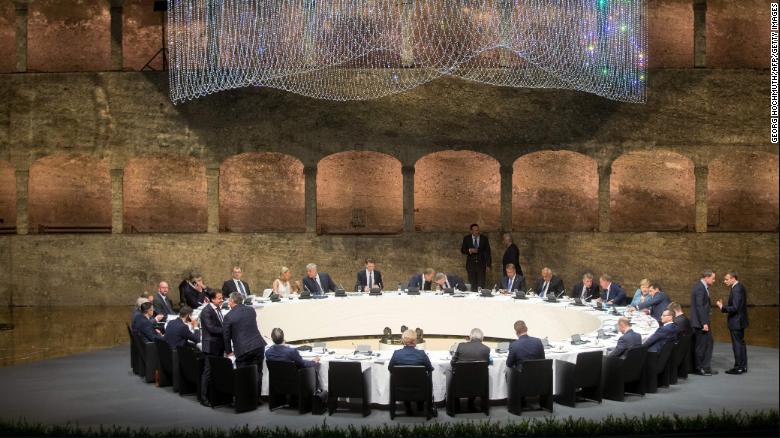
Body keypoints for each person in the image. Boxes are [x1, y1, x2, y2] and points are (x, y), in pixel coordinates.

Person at [223, 292, 267, 400]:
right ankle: (256, 398)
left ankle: (245, 399)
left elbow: (226, 336)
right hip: (258, 345)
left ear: (232, 301)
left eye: (229, 300)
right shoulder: (251, 310)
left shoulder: (228, 316)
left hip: (243, 349)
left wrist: (228, 351)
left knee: (242, 374)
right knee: (257, 372)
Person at [388, 329, 435, 416]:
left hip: (401, 389)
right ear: (415, 341)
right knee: (428, 376)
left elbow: (390, 369)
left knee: (403, 379)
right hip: (420, 389)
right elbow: (430, 369)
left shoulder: (396, 354)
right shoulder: (421, 354)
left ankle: (408, 406)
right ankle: (421, 405)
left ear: (403, 341)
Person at [450, 328, 491, 412]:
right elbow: (486, 364)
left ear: (470, 337)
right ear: (482, 338)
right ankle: (471, 404)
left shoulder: (461, 346)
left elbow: (453, 363)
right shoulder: (486, 349)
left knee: (453, 375)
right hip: (478, 383)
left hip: (461, 382)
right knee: (475, 377)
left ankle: (457, 406)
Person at [717, 271, 749, 375]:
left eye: (727, 279)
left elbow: (735, 307)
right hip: (740, 321)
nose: (725, 281)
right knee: (741, 344)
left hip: (736, 321)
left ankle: (738, 367)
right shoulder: (740, 287)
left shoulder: (736, 289)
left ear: (733, 278)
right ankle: (743, 366)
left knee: (737, 345)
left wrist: (722, 307)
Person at [199, 289, 225, 404]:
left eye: (221, 297)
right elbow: (211, 329)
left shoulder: (217, 308)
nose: (222, 300)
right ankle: (204, 398)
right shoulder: (206, 311)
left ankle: (215, 394)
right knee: (208, 372)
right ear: (212, 299)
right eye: (219, 298)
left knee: (217, 371)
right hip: (211, 346)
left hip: (218, 345)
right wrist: (226, 330)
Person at [690, 269, 717, 376]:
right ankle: (699, 367)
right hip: (700, 322)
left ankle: (706, 367)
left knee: (709, 343)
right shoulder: (700, 288)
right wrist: (704, 323)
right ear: (706, 277)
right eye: (713, 278)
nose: (714, 281)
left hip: (703, 320)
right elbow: (699, 306)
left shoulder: (703, 287)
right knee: (701, 345)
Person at [460, 223, 492, 290]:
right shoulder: (467, 238)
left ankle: (481, 297)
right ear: (471, 231)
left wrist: (488, 265)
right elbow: (463, 250)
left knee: (481, 283)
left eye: (477, 230)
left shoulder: (484, 239)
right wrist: (469, 250)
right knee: (472, 283)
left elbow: (488, 252)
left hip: (481, 264)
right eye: (474, 230)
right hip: (471, 265)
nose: (476, 232)